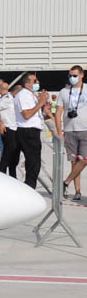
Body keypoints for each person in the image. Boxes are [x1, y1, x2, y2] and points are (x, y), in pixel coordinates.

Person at [12, 71, 49, 188]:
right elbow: (26, 115)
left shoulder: (30, 95)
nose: (37, 83)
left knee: (33, 162)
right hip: (27, 131)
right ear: (27, 84)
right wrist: (40, 103)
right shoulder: (23, 95)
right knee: (33, 163)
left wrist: (43, 104)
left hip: (31, 130)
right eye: (35, 81)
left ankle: (29, 185)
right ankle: (30, 187)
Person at [60, 65, 87, 201]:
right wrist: (59, 131)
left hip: (85, 129)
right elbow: (59, 111)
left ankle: (66, 182)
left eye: (75, 75)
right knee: (74, 162)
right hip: (69, 130)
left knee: (84, 160)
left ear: (82, 75)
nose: (72, 78)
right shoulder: (64, 92)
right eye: (70, 75)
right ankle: (77, 191)